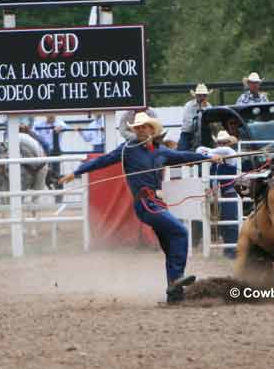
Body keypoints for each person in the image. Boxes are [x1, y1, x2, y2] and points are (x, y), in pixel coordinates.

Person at [59, 112, 222, 304]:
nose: (140, 130)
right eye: (137, 127)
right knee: (180, 232)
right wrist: (77, 172)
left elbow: (184, 156)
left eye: (143, 127)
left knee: (171, 244)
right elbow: (102, 160)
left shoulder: (161, 152)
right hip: (145, 204)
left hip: (157, 204)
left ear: (151, 130)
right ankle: (176, 279)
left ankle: (174, 296)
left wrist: (209, 157)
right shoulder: (127, 149)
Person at [197, 130, 238, 258]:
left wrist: (211, 154)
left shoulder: (231, 154)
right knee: (219, 222)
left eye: (224, 143)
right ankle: (227, 251)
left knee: (230, 223)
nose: (222, 145)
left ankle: (231, 252)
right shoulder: (215, 156)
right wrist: (212, 155)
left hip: (228, 193)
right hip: (215, 194)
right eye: (220, 143)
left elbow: (225, 151)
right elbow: (199, 150)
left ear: (229, 143)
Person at [179, 84, 212, 151]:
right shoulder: (189, 105)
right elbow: (189, 124)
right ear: (196, 96)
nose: (202, 97)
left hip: (204, 135)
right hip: (188, 134)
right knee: (182, 151)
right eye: (200, 95)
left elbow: (211, 122)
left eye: (204, 95)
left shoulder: (209, 106)